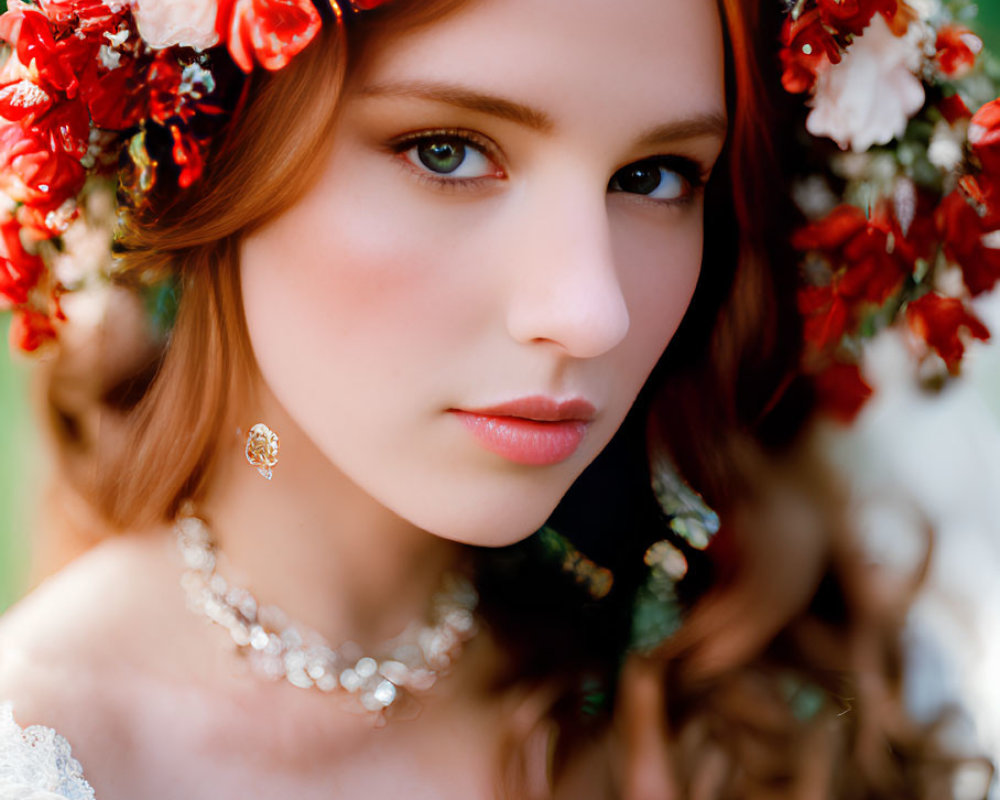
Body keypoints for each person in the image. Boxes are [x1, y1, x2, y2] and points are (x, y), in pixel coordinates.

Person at [0, 0, 987, 798]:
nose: (590, 310)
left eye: (653, 175)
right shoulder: (50, 744)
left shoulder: (779, 670)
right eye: (446, 150)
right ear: (204, 159)